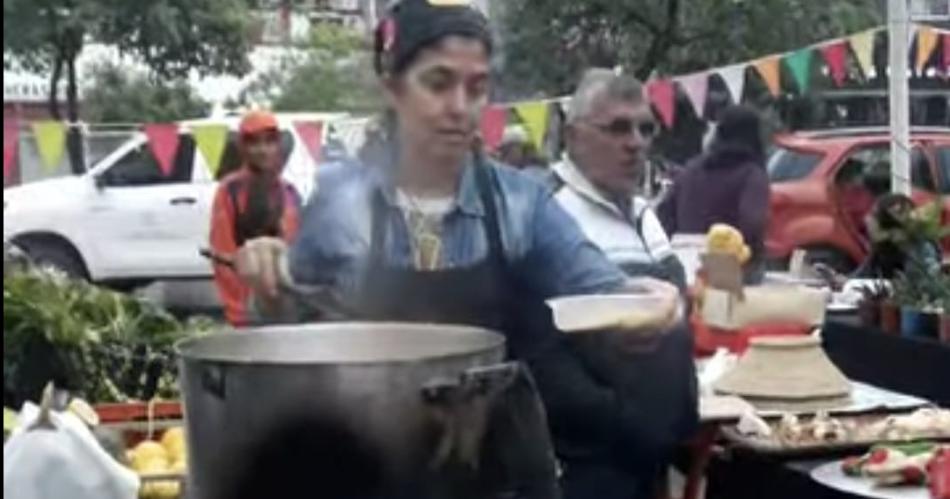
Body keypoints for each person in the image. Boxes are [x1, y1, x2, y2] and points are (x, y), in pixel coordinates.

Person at [233, 1, 682, 498]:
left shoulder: (519, 204)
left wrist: (644, 304)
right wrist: (268, 287)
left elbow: (599, 289)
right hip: (367, 468)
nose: (460, 106)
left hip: (493, 472)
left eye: (477, 87)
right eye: (439, 83)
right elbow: (287, 335)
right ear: (394, 87)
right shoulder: (342, 203)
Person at [548, 68, 697, 498]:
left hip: (650, 458)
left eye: (645, 128)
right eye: (617, 128)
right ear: (574, 136)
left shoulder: (642, 212)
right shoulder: (550, 214)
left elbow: (678, 303)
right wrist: (617, 424)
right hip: (590, 467)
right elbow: (539, 345)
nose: (636, 143)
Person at [657, 105, 771, 284]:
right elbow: (753, 222)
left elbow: (664, 212)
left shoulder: (691, 169)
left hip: (684, 256)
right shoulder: (751, 174)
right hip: (730, 264)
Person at [209, 110, 302, 326]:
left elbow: (297, 251)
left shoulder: (289, 192)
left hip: (286, 304)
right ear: (244, 148)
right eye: (255, 143)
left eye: (269, 142)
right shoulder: (229, 191)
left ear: (278, 146)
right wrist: (238, 311)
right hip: (246, 307)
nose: (263, 150)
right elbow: (223, 254)